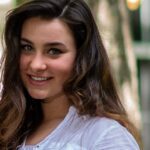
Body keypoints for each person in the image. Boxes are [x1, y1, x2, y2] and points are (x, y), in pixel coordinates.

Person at [0, 0, 141, 149]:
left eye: (54, 51)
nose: (36, 64)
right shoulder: (8, 127)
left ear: (82, 58)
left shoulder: (105, 136)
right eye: (27, 47)